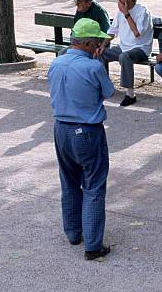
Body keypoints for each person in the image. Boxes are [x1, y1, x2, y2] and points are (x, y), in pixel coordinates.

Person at [47, 18, 115, 260]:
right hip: (87, 130)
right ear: (87, 43)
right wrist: (97, 61)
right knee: (94, 186)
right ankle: (93, 246)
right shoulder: (93, 67)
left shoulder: (55, 63)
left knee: (69, 182)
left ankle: (74, 232)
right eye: (97, 42)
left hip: (61, 128)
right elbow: (109, 92)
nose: (99, 45)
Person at [99, 0, 153, 106]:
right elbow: (112, 31)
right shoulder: (120, 11)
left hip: (141, 48)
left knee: (125, 57)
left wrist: (126, 13)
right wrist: (102, 46)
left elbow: (137, 33)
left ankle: (130, 94)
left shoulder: (142, 11)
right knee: (100, 53)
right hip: (123, 47)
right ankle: (104, 86)